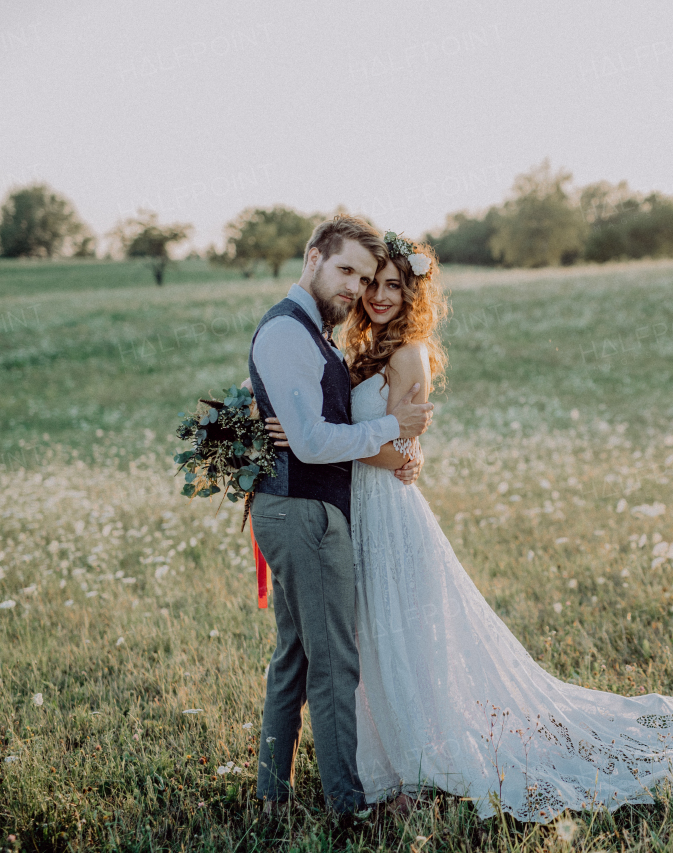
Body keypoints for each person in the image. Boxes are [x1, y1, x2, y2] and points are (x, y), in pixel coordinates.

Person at [266, 232, 673, 824]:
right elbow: (368, 430)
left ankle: (419, 762)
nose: (378, 295)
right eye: (371, 284)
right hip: (356, 510)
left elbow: (401, 443)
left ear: (413, 296)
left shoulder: (409, 353)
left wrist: (329, 449)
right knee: (372, 636)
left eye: (393, 286)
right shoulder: (354, 347)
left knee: (400, 635)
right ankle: (379, 758)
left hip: (388, 511)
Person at [246, 215, 433, 817]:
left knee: (298, 657)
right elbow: (312, 442)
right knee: (332, 664)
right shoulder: (287, 330)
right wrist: (392, 430)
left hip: (310, 507)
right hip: (304, 512)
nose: (356, 288)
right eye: (347, 271)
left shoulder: (313, 332)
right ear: (313, 259)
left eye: (366, 276)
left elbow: (303, 417)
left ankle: (272, 794)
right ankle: (348, 804)